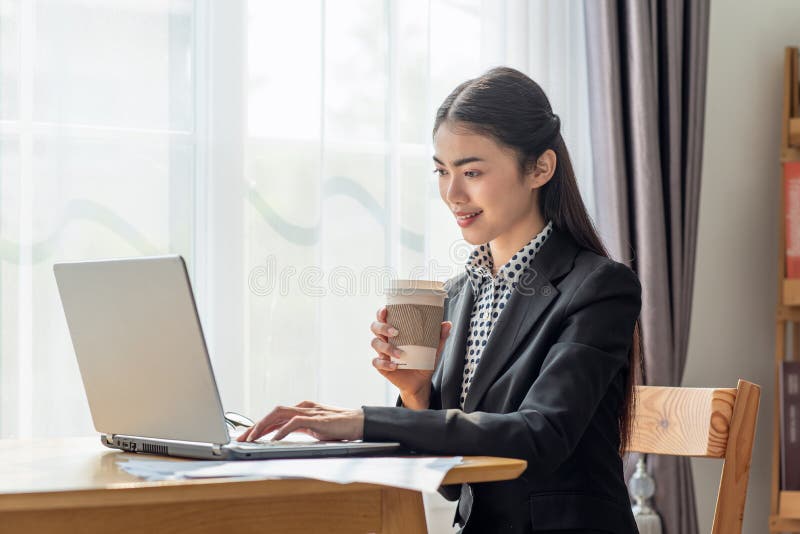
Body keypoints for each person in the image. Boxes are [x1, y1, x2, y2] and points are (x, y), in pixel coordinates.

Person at [239, 66, 643, 534]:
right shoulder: (458, 292)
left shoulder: (599, 287)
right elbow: (455, 484)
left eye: (471, 171)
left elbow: (539, 437)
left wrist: (367, 421)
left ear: (540, 168)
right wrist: (415, 392)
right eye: (441, 171)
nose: (452, 193)